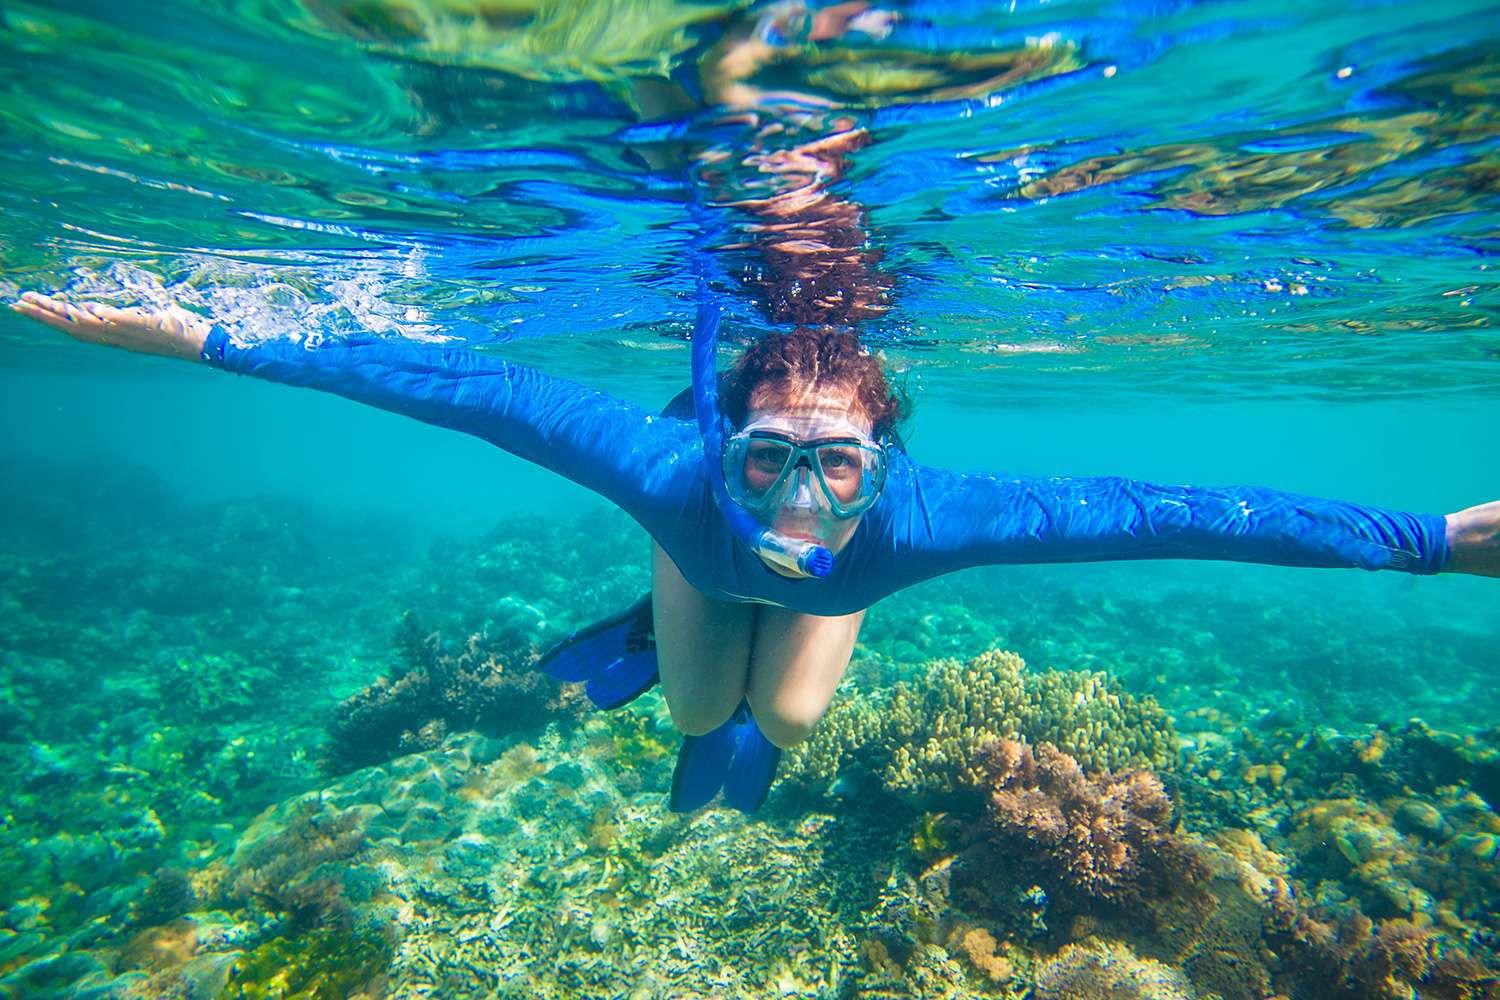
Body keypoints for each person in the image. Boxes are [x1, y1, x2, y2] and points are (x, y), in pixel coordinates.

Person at [11, 292, 1500, 815]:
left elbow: (1185, 513)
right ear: (722, 440)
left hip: (800, 564)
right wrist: (214, 336)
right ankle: (657, 610)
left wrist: (1427, 544)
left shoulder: (931, 518)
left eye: (837, 464)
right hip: (678, 539)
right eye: (769, 458)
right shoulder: (665, 465)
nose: (798, 496)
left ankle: (714, 662)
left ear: (885, 463)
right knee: (681, 707)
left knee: (769, 719)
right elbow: (446, 381)